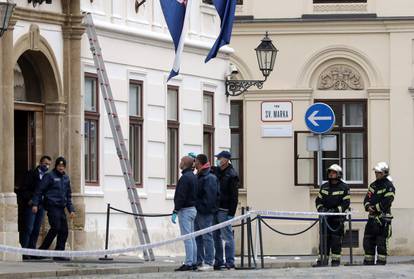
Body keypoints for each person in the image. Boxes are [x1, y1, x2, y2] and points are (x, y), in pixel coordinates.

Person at [31, 156, 75, 261]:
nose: (61, 168)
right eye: (59, 166)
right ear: (56, 166)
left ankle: (59, 253)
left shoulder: (66, 178)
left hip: (61, 208)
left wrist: (71, 210)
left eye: (63, 166)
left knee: (64, 231)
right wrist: (35, 204)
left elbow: (68, 196)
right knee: (55, 227)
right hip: (52, 206)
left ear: (65, 167)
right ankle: (42, 251)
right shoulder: (49, 176)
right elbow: (39, 190)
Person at [313, 164, 350, 267]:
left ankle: (335, 262)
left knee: (335, 241)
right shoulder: (324, 186)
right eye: (330, 172)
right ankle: (321, 262)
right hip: (325, 219)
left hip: (337, 220)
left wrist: (334, 211)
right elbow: (318, 200)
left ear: (338, 174)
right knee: (323, 241)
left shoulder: (344, 187)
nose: (331, 174)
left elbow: (345, 203)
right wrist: (321, 209)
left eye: (333, 172)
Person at [16, 155, 51, 260]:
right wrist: (31, 200)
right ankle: (24, 251)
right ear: (40, 163)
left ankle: (32, 251)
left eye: (49, 164)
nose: (47, 166)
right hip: (31, 205)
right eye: (45, 164)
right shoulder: (31, 174)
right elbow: (24, 189)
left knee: (36, 229)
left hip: (41, 206)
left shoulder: (48, 176)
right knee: (28, 228)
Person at [363, 162, 395, 265]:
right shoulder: (373, 185)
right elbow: (367, 198)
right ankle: (369, 261)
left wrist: (375, 208)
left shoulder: (389, 186)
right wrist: (368, 206)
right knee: (368, 240)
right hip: (372, 218)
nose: (376, 174)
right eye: (376, 172)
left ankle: (381, 261)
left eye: (379, 172)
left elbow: (387, 201)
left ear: (384, 173)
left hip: (383, 219)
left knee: (381, 242)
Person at [212, 151, 239, 270]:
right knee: (215, 236)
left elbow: (234, 196)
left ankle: (230, 261)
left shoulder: (232, 175)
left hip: (225, 209)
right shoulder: (217, 171)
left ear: (226, 160)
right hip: (215, 208)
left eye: (219, 158)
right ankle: (218, 261)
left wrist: (231, 213)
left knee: (227, 237)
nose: (218, 159)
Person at [171, 156, 198, 271]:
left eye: (181, 161)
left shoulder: (185, 178)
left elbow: (181, 196)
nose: (180, 163)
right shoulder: (193, 176)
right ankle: (194, 261)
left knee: (187, 238)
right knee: (192, 237)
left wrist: (175, 210)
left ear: (185, 164)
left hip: (185, 210)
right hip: (192, 209)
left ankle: (189, 262)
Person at [194, 154, 220, 271]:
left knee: (207, 237)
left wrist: (201, 208)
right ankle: (199, 261)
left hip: (204, 212)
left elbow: (210, 198)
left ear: (199, 163)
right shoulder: (200, 175)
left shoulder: (209, 177)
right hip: (198, 211)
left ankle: (209, 262)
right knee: (197, 237)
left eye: (195, 162)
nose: (194, 164)